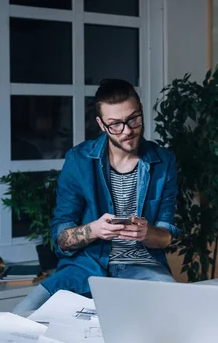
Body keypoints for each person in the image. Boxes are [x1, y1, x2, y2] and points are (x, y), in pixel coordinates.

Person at [13, 79, 179, 313]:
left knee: (178, 314)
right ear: (101, 124)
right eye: (116, 125)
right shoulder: (78, 160)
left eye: (133, 119)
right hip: (83, 268)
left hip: (143, 267)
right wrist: (94, 230)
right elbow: (61, 238)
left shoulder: (164, 160)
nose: (128, 130)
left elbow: (166, 236)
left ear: (141, 109)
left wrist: (146, 232)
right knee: (21, 316)